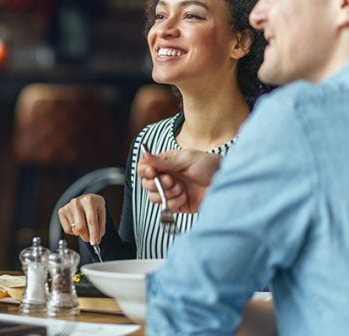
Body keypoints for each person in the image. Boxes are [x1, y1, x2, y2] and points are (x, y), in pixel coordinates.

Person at [138, 0, 349, 333]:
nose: (257, 15)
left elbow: (183, 306)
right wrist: (236, 184)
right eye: (161, 15)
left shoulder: (296, 117)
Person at [58, 0, 268, 260]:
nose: (164, 29)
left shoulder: (274, 149)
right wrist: (98, 229)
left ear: (240, 43)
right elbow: (134, 265)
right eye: (160, 15)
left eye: (191, 15)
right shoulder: (148, 143)